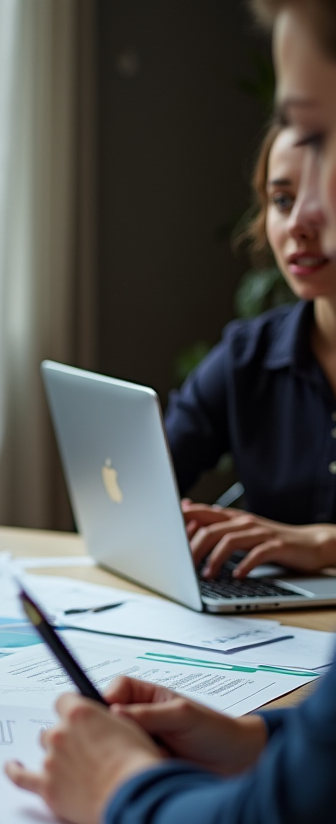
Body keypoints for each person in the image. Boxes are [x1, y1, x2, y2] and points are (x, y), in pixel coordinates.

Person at [8, 8, 336, 824]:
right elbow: (143, 478)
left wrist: (117, 783)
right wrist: (260, 743)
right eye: (282, 190)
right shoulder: (253, 352)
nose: (302, 214)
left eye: (322, 145)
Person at [168, 120, 336, 579]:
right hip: (274, 631)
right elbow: (150, 480)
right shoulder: (247, 355)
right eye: (282, 200)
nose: (298, 223)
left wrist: (324, 543)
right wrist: (178, 522)